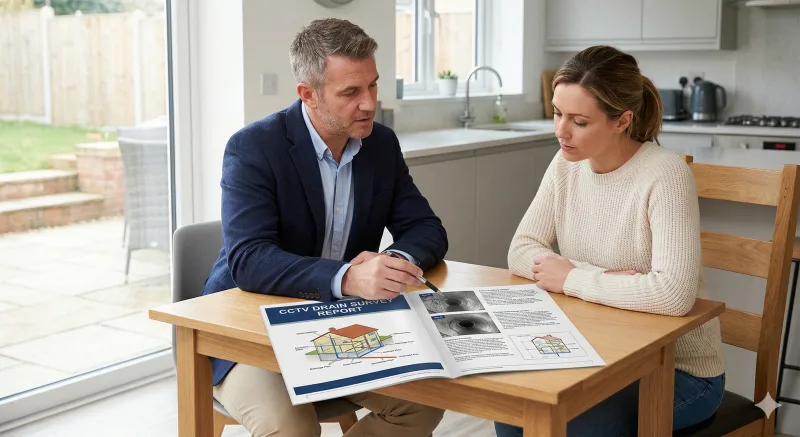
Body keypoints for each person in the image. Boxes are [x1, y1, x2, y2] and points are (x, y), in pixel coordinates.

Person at [200, 18, 448, 437]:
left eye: (372, 85)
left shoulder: (380, 144)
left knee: (426, 402)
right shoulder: (254, 147)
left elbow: (426, 227)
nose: (369, 103)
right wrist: (348, 277)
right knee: (291, 428)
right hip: (250, 334)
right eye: (351, 92)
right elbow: (249, 259)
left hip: (340, 329)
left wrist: (392, 261)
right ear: (308, 95)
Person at [495, 45, 726, 437]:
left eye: (579, 121)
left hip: (677, 372)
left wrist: (572, 278)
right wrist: (596, 275)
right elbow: (521, 249)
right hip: (598, 353)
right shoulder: (566, 164)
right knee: (514, 412)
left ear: (622, 121)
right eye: (557, 113)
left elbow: (673, 295)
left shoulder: (665, 174)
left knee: (565, 427)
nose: (560, 131)